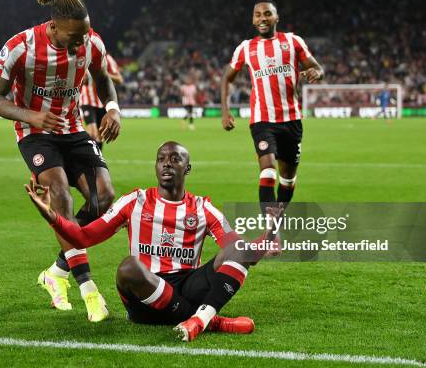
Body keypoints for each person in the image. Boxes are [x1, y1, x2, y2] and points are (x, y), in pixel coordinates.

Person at [25, 141, 282, 342]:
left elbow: (244, 253)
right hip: (145, 295)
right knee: (128, 268)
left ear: (187, 168)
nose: (166, 164)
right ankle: (211, 319)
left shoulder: (203, 208)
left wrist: (267, 237)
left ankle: (200, 320)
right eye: (161, 160)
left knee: (236, 249)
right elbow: (84, 237)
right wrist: (51, 215)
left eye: (174, 159)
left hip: (187, 286)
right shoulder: (135, 201)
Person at [0, 0, 122, 322]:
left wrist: (112, 108)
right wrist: (31, 114)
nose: (80, 44)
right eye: (73, 38)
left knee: (104, 200)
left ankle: (56, 272)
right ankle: (88, 288)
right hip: (35, 132)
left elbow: (103, 77)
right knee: (60, 193)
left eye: (84, 36)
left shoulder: (90, 43)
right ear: (53, 27)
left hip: (73, 128)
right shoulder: (20, 47)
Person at [221, 0, 324, 204]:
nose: (262, 18)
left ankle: (273, 227)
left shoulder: (293, 41)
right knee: (267, 172)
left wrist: (317, 73)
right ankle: (269, 230)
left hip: (291, 120)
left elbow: (318, 68)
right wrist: (225, 111)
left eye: (267, 14)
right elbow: (227, 77)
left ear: (276, 17)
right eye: (258, 15)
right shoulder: (245, 47)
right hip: (262, 120)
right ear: (253, 20)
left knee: (287, 180)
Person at [80, 53, 123, 151]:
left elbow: (119, 79)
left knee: (100, 136)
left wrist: (102, 74)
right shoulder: (81, 56)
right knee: (92, 133)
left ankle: (96, 159)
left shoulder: (107, 59)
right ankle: (88, 159)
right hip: (87, 102)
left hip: (103, 103)